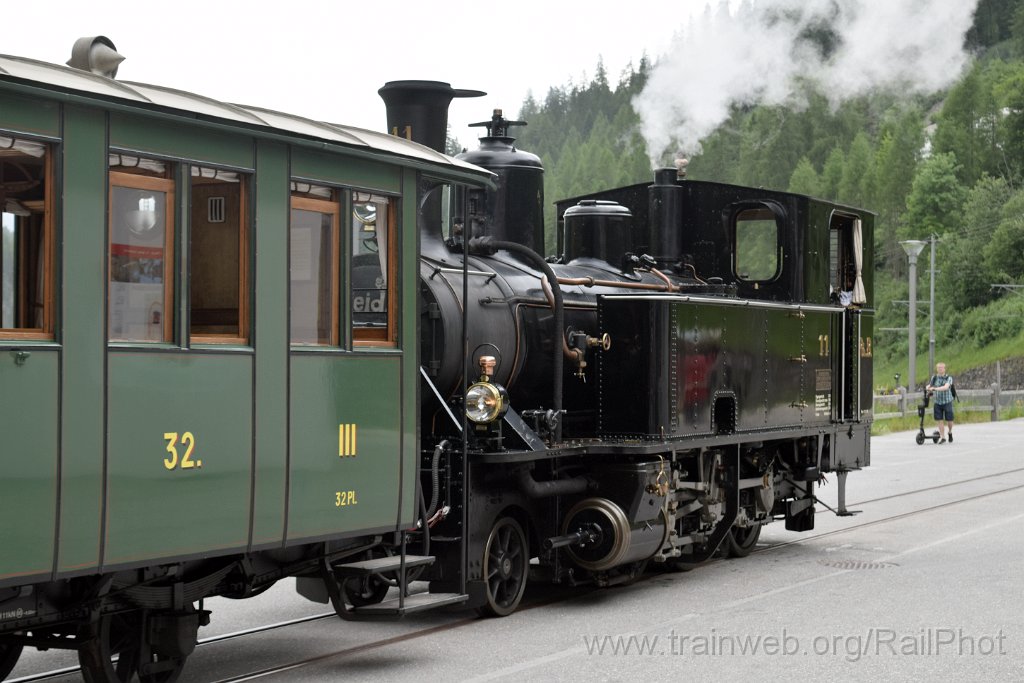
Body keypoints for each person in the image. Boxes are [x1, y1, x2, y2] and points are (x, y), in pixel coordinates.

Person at [925, 362, 955, 443]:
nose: (940, 369)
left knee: (949, 420)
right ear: (937, 369)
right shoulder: (934, 378)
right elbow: (930, 385)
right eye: (938, 368)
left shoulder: (949, 378)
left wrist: (935, 389)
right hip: (938, 402)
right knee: (939, 419)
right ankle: (943, 437)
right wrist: (928, 387)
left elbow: (946, 387)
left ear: (944, 369)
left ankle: (950, 432)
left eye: (941, 368)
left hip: (947, 401)